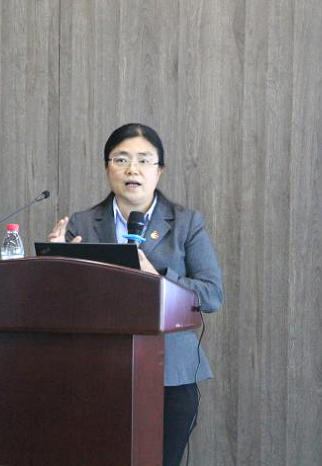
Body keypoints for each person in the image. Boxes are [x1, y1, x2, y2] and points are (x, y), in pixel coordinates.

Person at [48, 123, 223, 466]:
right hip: (94, 371)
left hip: (170, 375)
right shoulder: (82, 224)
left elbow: (212, 294)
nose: (132, 169)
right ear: (107, 168)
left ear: (159, 170)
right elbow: (58, 301)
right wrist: (53, 261)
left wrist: (158, 276)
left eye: (144, 160)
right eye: (121, 159)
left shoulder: (186, 224)